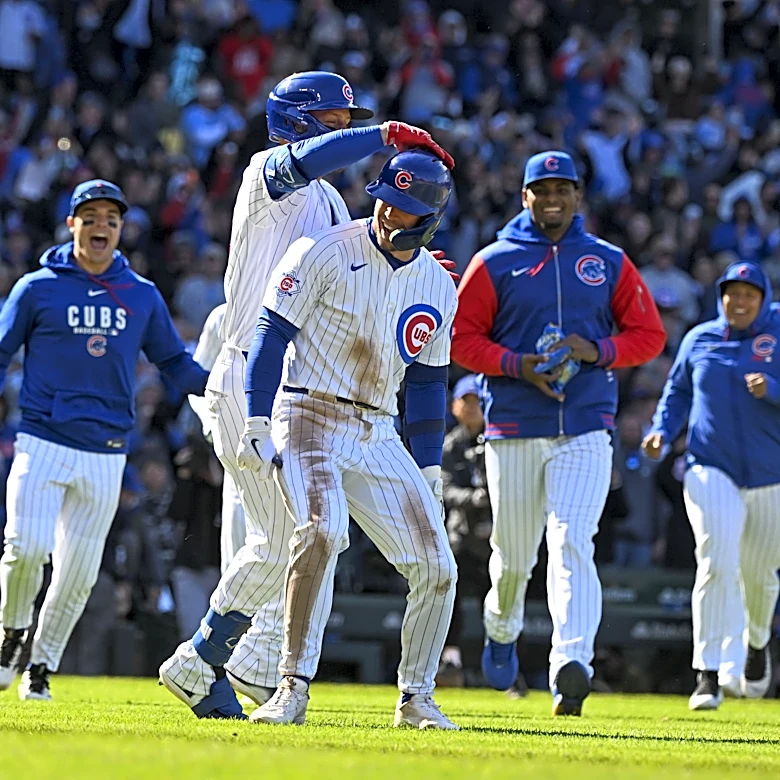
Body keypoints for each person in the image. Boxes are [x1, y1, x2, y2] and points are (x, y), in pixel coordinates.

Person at [158, 70, 456, 720]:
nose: (344, 130)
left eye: (350, 120)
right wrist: (383, 135)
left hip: (303, 386)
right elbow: (306, 160)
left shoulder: (328, 203)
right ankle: (211, 664)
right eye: (333, 119)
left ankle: (217, 665)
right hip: (252, 375)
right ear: (295, 119)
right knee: (293, 536)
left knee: (283, 538)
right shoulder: (271, 173)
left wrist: (419, 274)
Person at [244, 150, 459, 729]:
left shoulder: (439, 285)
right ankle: (290, 686)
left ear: (432, 216)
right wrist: (256, 420)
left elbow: (431, 386)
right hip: (306, 407)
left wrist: (431, 468)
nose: (391, 214)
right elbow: (269, 336)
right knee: (322, 529)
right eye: (387, 199)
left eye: (407, 208)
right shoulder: (325, 249)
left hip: (377, 425)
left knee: (438, 564)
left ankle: (416, 696)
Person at [451, 151, 666, 716]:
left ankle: (572, 663)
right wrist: (519, 365)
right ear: (524, 196)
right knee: (514, 556)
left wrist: (597, 351)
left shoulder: (608, 260)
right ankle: (502, 628)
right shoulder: (494, 261)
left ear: (577, 197)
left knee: (573, 542)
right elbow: (460, 340)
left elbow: (648, 335)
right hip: (513, 426)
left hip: (586, 425)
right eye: (541, 189)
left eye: (562, 189)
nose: (552, 198)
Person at [0, 179, 209, 700]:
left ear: (121, 231)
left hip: (106, 453)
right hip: (42, 440)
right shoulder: (36, 288)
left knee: (78, 574)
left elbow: (175, 365)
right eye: (89, 216)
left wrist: (231, 383)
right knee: (25, 549)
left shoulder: (141, 295)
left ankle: (41, 668)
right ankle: (11, 633)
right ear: (71, 224)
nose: (100, 226)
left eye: (110, 219)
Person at [643, 260, 780, 711]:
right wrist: (662, 430)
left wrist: (773, 389)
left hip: (769, 474)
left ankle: (756, 643)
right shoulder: (699, 339)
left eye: (748, 295)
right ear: (720, 297)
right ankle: (708, 673)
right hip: (708, 466)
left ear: (762, 299)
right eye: (731, 293)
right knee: (716, 559)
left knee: (758, 576)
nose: (738, 302)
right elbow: (677, 391)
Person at [437, 373, 492, 688]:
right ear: (454, 406)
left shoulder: (497, 441)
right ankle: (450, 661)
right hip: (460, 534)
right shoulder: (450, 445)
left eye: (477, 403)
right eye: (465, 402)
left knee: (500, 598)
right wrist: (475, 498)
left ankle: (502, 664)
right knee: (450, 596)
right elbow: (444, 488)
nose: (471, 409)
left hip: (493, 538)